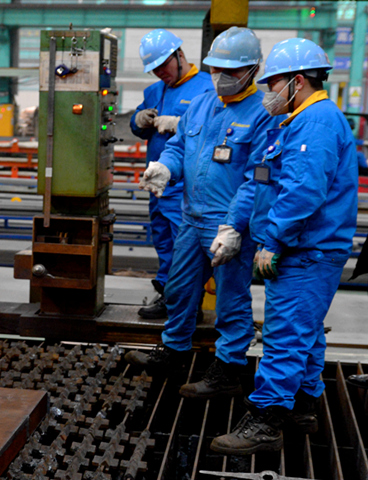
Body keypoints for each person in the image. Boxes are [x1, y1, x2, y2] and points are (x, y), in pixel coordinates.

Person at [211, 38, 358, 455]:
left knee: (285, 333)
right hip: (306, 249)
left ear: (297, 81)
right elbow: (261, 180)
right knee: (306, 331)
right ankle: (302, 404)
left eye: (272, 83)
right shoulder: (294, 121)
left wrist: (272, 240)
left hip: (306, 251)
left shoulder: (317, 123)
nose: (265, 92)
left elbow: (303, 193)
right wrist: (236, 223)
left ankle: (266, 420)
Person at [125, 27, 281, 397]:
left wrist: (234, 226)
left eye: (231, 71)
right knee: (179, 290)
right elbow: (179, 147)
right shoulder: (201, 104)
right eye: (216, 69)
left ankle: (228, 367)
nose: (221, 78)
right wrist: (165, 167)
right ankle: (174, 353)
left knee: (231, 298)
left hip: (226, 224)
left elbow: (256, 177)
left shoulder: (263, 114)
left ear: (252, 71)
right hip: (191, 218)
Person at [130, 29, 214, 320]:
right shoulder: (155, 91)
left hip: (186, 186)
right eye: (153, 69)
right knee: (164, 241)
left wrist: (181, 124)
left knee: (186, 248)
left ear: (180, 56)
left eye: (163, 66)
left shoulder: (207, 88)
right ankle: (168, 295)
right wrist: (138, 119)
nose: (159, 73)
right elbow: (137, 125)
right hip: (157, 184)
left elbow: (215, 131)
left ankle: (187, 305)